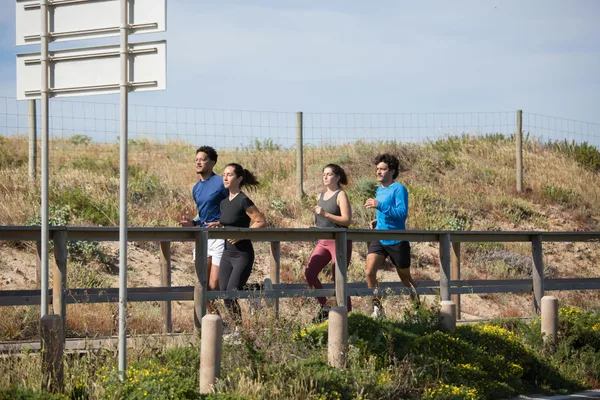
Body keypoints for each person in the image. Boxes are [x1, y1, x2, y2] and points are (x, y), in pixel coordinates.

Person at [364, 153, 418, 318]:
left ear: (392, 171)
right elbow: (386, 212)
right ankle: (377, 308)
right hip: (379, 237)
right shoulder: (379, 190)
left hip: (396, 239)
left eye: (383, 169)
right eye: (377, 169)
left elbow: (402, 214)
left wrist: (379, 206)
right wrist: (377, 221)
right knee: (369, 272)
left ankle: (417, 309)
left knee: (405, 278)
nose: (378, 172)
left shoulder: (399, 189)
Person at [179, 146, 228, 314]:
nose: (198, 162)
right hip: (203, 238)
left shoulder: (221, 183)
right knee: (202, 284)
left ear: (212, 162)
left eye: (203, 159)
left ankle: (253, 291)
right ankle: (216, 322)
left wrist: (223, 222)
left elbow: (233, 203)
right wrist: (192, 222)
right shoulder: (196, 188)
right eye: (196, 160)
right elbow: (203, 211)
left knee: (215, 284)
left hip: (220, 236)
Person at [215, 163, 266, 323]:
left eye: (229, 174)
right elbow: (231, 220)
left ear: (239, 179)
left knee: (231, 292)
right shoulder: (224, 202)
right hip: (227, 253)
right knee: (224, 293)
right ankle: (256, 290)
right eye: (224, 174)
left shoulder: (243, 200)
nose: (225, 177)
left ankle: (239, 330)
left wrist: (242, 235)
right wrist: (219, 224)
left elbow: (260, 221)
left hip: (242, 254)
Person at [305, 164, 353, 323]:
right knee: (310, 273)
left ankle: (347, 316)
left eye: (329, 174)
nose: (325, 177)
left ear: (337, 177)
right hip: (322, 242)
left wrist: (325, 213)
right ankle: (325, 307)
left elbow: (346, 221)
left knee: (338, 278)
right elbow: (322, 221)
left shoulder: (341, 195)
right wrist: (315, 227)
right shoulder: (320, 195)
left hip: (339, 242)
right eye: (323, 174)